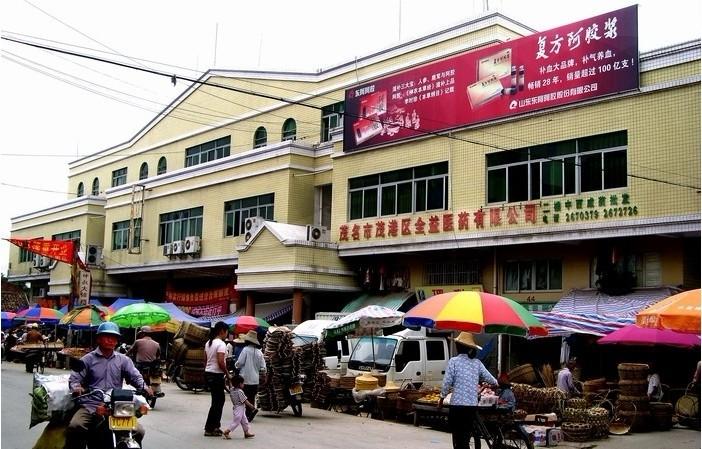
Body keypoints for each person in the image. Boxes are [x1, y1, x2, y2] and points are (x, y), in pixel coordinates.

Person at [66, 322, 151, 449]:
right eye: (107, 336)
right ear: (99, 338)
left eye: (114, 337)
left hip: (117, 406)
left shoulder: (123, 360)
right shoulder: (88, 359)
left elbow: (135, 376)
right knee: (76, 425)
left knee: (139, 431)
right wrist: (77, 388)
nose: (111, 340)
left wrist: (144, 387)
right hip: (92, 404)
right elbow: (75, 378)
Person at [438, 332, 498, 449]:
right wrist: (496, 383)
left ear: (458, 347)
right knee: (466, 434)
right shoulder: (477, 363)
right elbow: (490, 379)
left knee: (458, 436)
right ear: (470, 349)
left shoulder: (454, 361)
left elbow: (446, 383)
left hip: (457, 406)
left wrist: (441, 398)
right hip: (471, 406)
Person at [204, 321, 230, 437]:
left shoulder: (208, 343)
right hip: (216, 375)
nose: (227, 334)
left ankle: (213, 426)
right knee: (218, 402)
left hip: (209, 373)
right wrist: (228, 374)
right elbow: (220, 362)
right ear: (222, 331)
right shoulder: (221, 344)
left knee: (217, 401)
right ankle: (211, 428)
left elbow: (205, 361)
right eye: (226, 332)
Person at [234, 330, 266, 422]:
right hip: (255, 379)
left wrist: (236, 365)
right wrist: (263, 375)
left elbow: (240, 363)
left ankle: (246, 413)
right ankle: (250, 412)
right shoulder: (260, 352)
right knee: (252, 396)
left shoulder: (245, 350)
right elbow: (263, 367)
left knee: (243, 397)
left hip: (245, 378)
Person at [222, 374, 256, 440]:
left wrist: (228, 379)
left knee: (245, 420)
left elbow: (230, 385)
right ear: (239, 384)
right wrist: (251, 406)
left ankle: (246, 432)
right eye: (243, 383)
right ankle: (227, 431)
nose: (243, 385)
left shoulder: (232, 389)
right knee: (236, 421)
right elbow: (245, 401)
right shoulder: (240, 392)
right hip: (239, 408)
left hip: (237, 408)